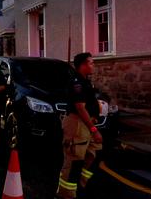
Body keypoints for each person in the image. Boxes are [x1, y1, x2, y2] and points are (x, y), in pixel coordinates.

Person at [56, 52, 102, 199]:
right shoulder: (77, 83)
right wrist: (94, 130)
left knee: (94, 153)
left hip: (87, 125)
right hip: (78, 125)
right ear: (82, 65)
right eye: (91, 63)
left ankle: (80, 183)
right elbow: (80, 107)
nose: (93, 65)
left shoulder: (84, 81)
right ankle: (66, 194)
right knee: (74, 160)